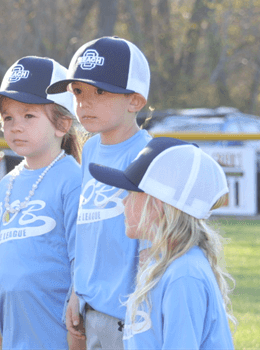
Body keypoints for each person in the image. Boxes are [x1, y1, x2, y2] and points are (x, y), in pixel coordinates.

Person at [46, 36, 154, 349]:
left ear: (134, 100)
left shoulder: (147, 155)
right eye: (78, 92)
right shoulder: (91, 148)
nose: (84, 103)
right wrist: (76, 292)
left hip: (127, 314)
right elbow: (87, 231)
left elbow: (151, 245)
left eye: (100, 91)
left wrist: (144, 313)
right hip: (90, 306)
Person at [0, 56, 84, 350]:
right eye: (8, 118)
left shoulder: (73, 179)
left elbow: (82, 257)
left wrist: (78, 318)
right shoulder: (9, 182)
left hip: (58, 332)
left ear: (62, 123)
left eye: (28, 116)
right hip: (15, 333)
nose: (15, 126)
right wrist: (0, 320)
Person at [88, 137, 236, 350]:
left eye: (132, 193)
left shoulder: (183, 274)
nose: (123, 201)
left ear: (157, 204)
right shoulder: (162, 263)